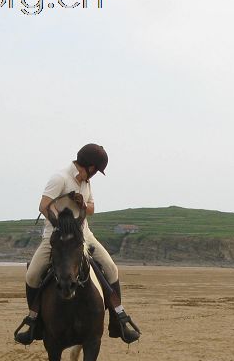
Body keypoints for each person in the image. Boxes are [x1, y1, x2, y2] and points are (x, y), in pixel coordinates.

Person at [14, 143, 141, 346]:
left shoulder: (86, 183)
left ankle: (118, 321)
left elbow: (91, 208)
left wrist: (83, 203)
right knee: (32, 275)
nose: (95, 174)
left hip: (84, 235)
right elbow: (43, 206)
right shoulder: (60, 178)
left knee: (111, 268)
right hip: (55, 236)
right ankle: (34, 322)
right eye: (96, 170)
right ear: (89, 166)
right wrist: (59, 227)